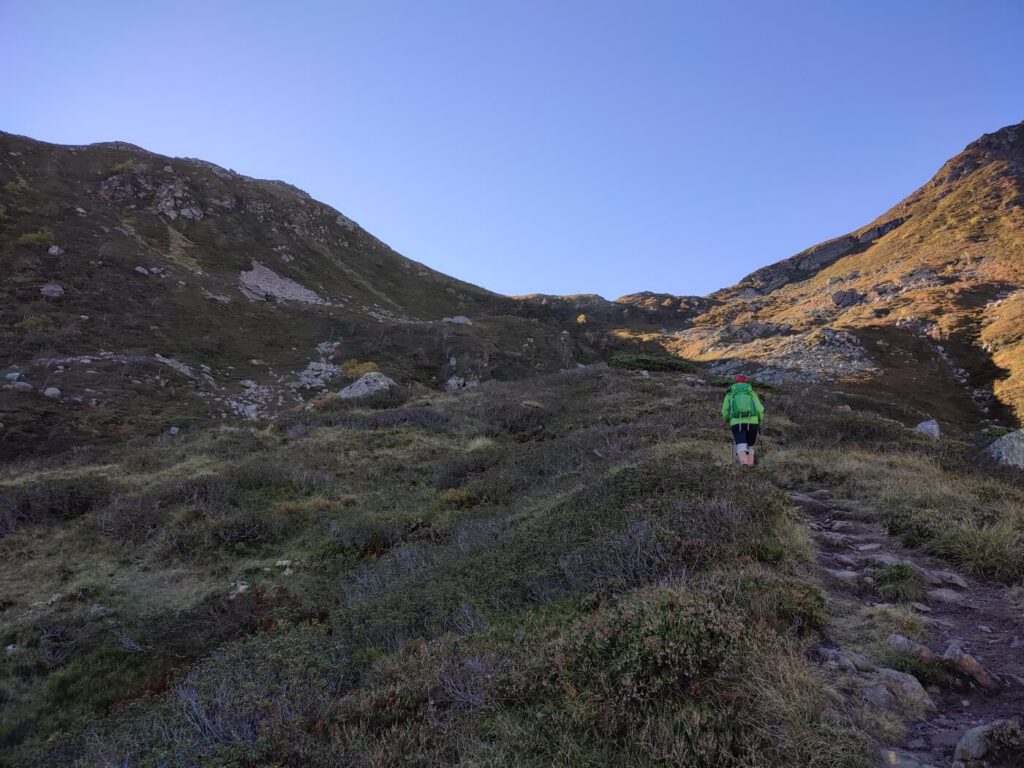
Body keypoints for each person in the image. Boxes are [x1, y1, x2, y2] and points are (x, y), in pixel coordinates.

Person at [721, 375, 764, 466]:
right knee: (750, 446)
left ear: (735, 383)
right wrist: (760, 419)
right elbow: (759, 408)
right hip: (753, 422)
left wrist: (728, 419)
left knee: (741, 445)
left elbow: (725, 410)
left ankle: (745, 466)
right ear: (746, 382)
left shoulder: (730, 394)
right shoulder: (752, 393)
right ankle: (750, 467)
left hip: (737, 423)